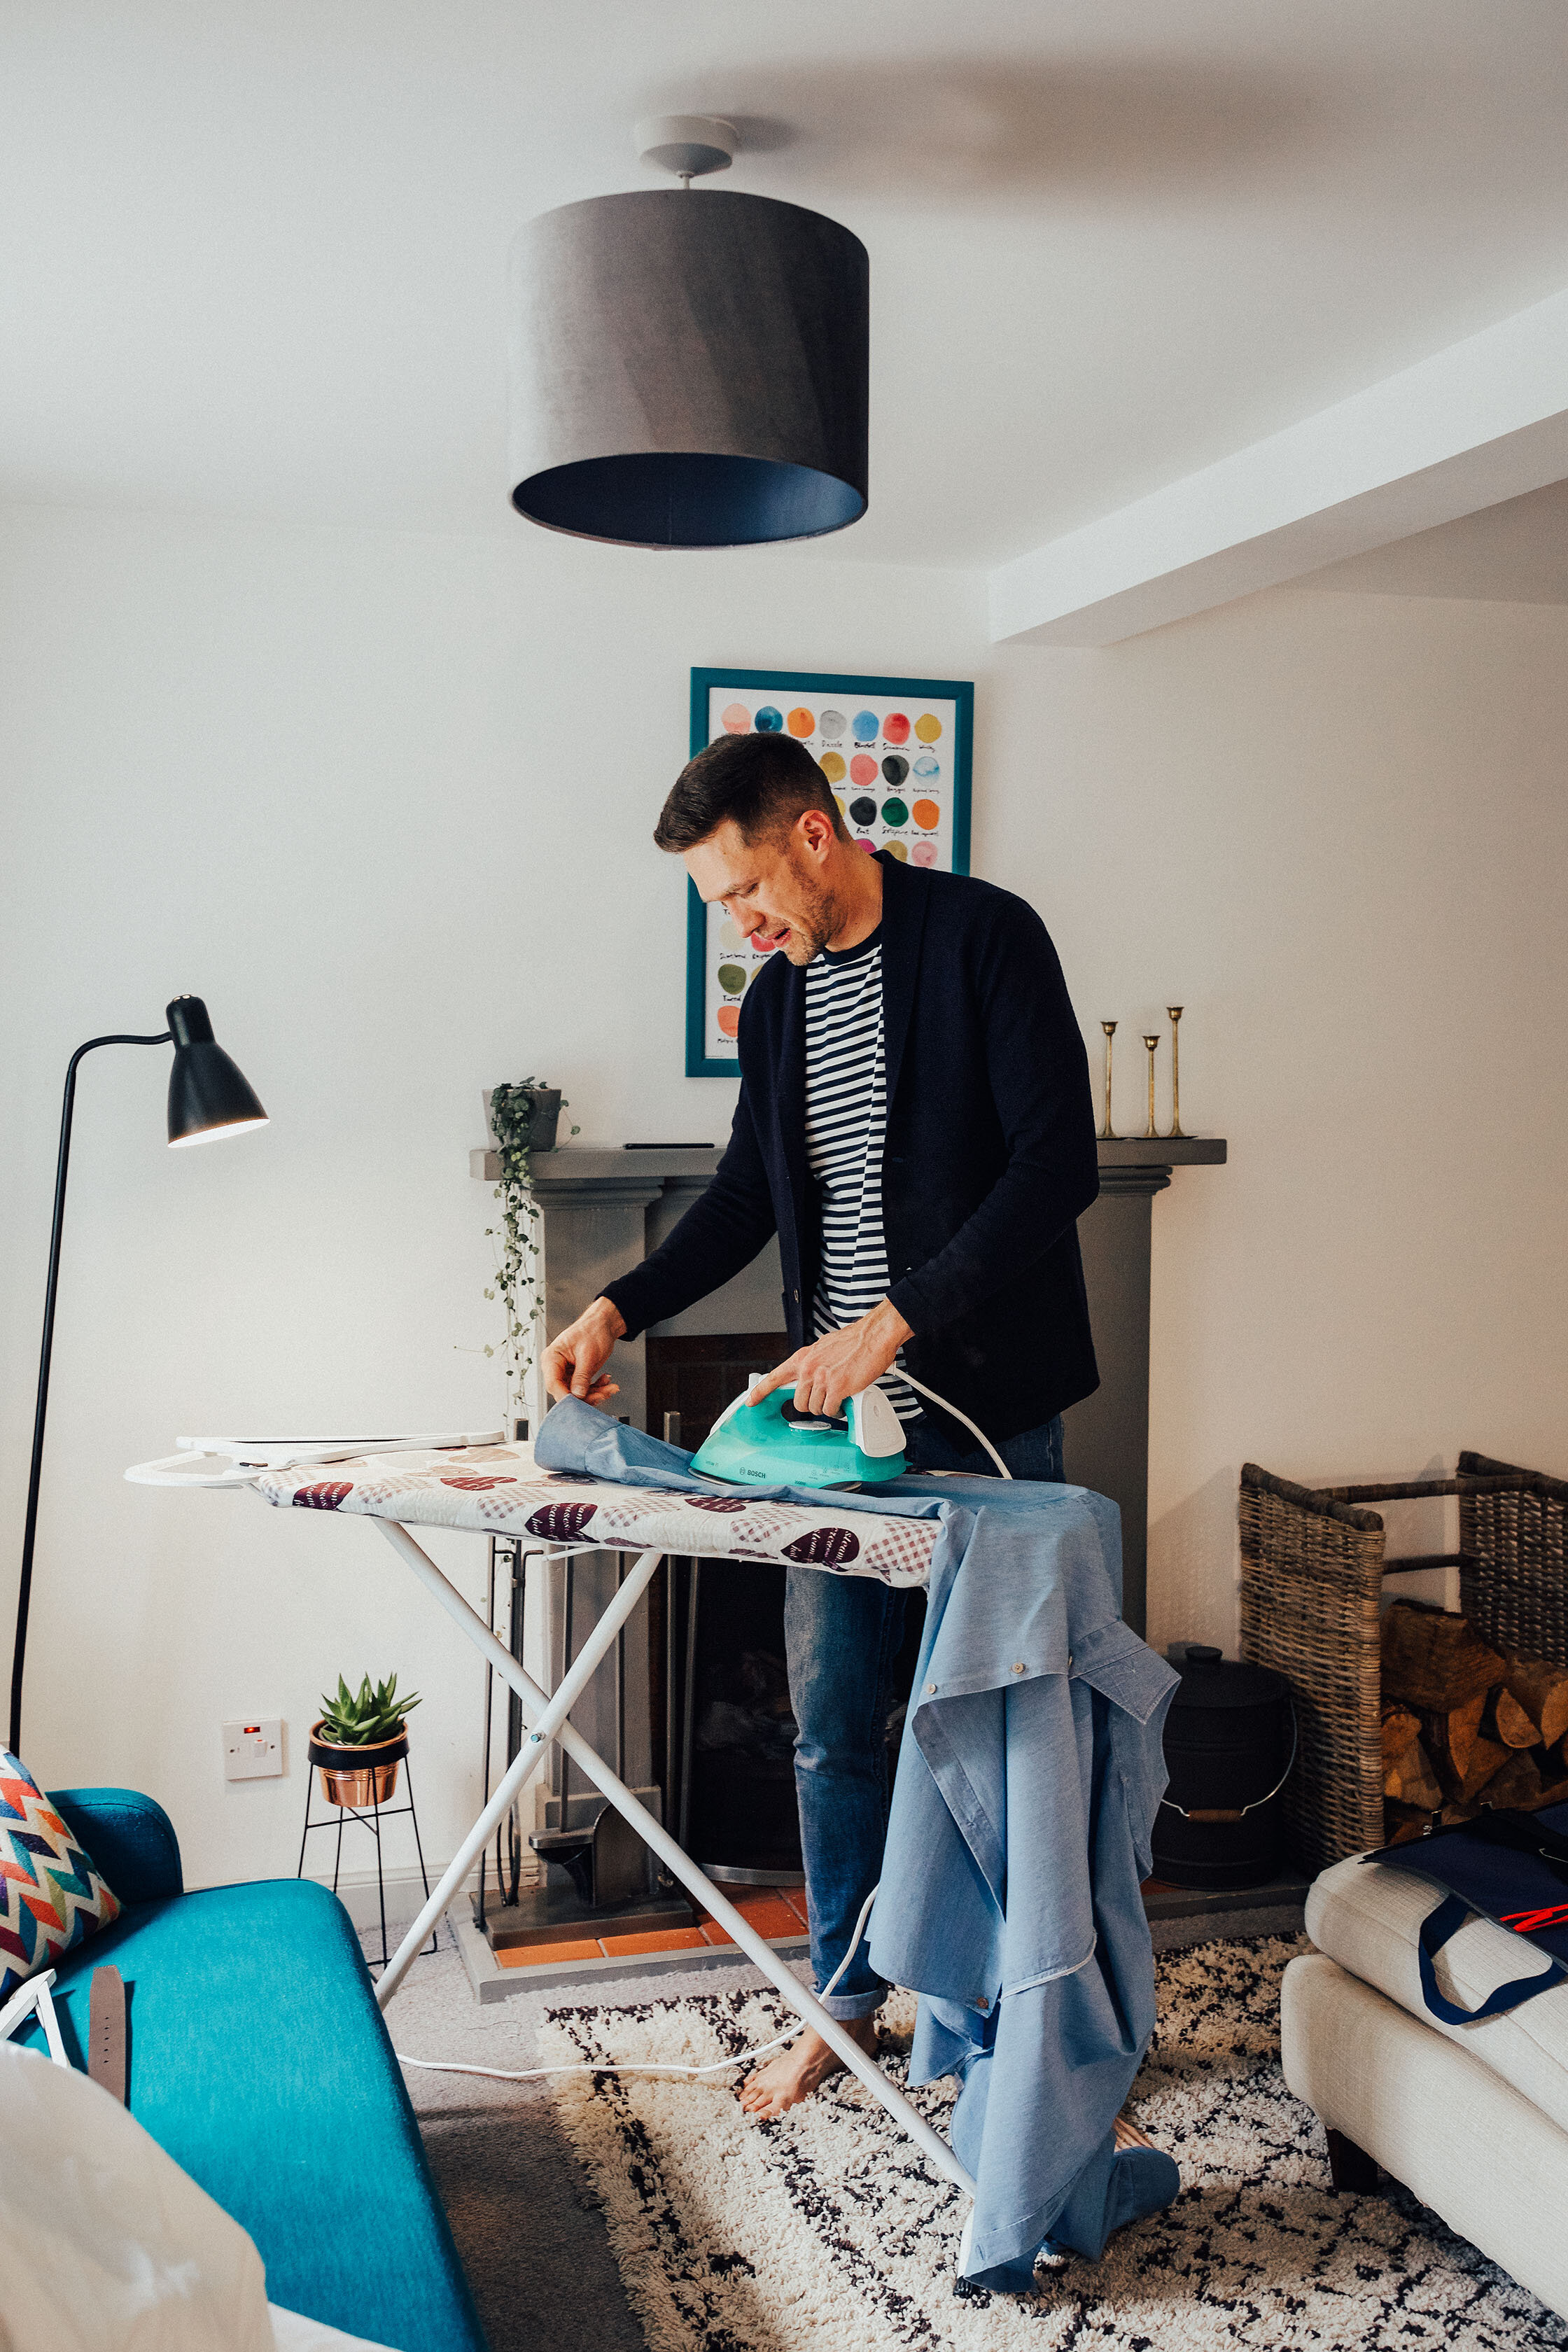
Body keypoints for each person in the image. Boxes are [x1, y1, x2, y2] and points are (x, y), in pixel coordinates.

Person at [542, 730, 1100, 2118]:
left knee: (1005, 1727)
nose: (739, 928)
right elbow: (743, 1199)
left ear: (810, 834)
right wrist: (617, 1307)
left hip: (981, 1417)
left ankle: (1035, 2033)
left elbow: (1057, 1167)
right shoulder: (777, 1008)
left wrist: (893, 1324)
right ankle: (845, 2006)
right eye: (718, 910)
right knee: (833, 1731)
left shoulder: (983, 940)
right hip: (825, 1443)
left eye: (741, 895)